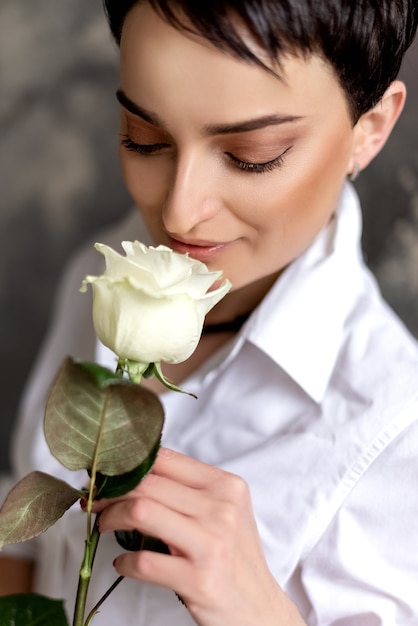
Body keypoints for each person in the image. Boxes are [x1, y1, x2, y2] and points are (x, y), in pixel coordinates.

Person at [1, 0, 418, 623]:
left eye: (252, 154)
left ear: (372, 127)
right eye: (144, 138)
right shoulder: (109, 275)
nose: (177, 212)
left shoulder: (397, 431)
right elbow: (24, 550)